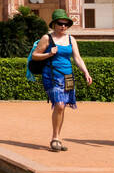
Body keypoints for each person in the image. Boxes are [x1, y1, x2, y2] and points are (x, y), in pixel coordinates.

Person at [29, 9, 93, 151]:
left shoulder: (71, 39)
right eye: (60, 23)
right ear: (54, 24)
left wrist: (86, 72)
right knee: (59, 104)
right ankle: (55, 138)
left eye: (66, 24)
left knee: (63, 106)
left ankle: (57, 137)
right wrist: (48, 54)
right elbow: (35, 56)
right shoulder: (47, 38)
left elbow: (77, 57)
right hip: (52, 75)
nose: (63, 26)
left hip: (68, 76)